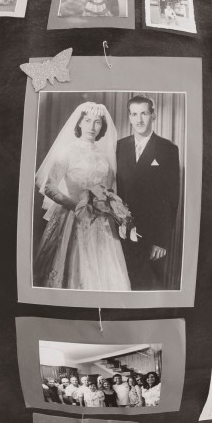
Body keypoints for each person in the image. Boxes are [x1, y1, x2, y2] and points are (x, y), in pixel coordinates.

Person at [34, 101, 131, 291]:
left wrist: (112, 204)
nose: (92, 127)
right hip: (73, 216)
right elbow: (50, 187)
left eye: (97, 122)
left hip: (101, 221)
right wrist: (76, 205)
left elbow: (108, 189)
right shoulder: (67, 151)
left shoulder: (105, 156)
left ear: (102, 127)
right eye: (87, 121)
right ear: (79, 123)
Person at [117, 95, 180, 291]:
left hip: (152, 236)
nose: (139, 120)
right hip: (121, 233)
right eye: (134, 114)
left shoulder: (168, 149)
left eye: (144, 113)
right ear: (129, 117)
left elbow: (171, 199)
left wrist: (161, 241)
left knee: (147, 288)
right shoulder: (119, 147)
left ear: (153, 115)